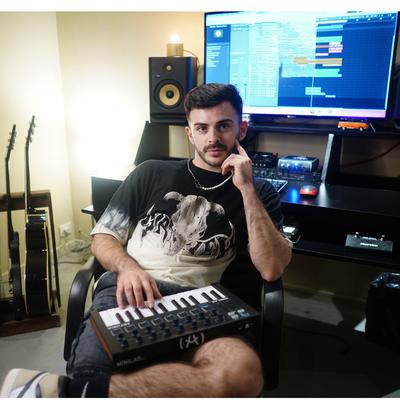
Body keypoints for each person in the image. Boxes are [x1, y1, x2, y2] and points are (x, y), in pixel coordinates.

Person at [1, 83, 292, 398]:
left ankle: (72, 392)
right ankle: (87, 386)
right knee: (92, 369)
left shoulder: (260, 191)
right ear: (190, 134)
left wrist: (246, 188)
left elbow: (271, 268)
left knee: (241, 377)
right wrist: (127, 268)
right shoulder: (150, 172)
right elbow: (103, 237)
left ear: (241, 129)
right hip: (131, 294)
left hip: (206, 305)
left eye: (223, 126)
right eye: (202, 128)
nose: (213, 137)